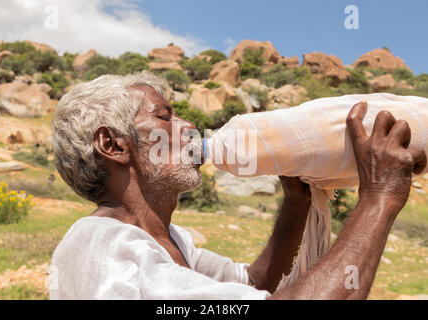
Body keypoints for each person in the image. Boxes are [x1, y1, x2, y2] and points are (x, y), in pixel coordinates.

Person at [50, 72, 426, 299]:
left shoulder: (170, 240)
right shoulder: (107, 250)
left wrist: (297, 202)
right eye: (164, 117)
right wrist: (380, 197)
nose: (186, 127)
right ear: (113, 145)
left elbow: (253, 282)